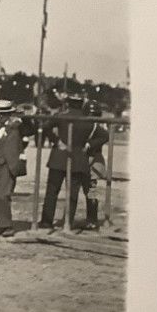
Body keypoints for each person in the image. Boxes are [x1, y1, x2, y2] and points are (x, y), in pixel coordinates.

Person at [38, 98, 107, 230]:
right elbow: (105, 135)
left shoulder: (61, 117)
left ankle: (46, 221)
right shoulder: (89, 122)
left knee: (52, 191)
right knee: (74, 193)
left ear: (68, 104)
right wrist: (88, 145)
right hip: (80, 160)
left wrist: (56, 141)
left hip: (59, 158)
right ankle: (68, 222)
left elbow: (45, 127)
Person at [0, 101, 27, 236]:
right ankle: (0, 223)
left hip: (8, 166)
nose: (0, 117)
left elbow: (28, 130)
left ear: (9, 115)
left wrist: (21, 115)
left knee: (3, 194)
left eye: (3, 115)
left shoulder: (17, 127)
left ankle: (7, 225)